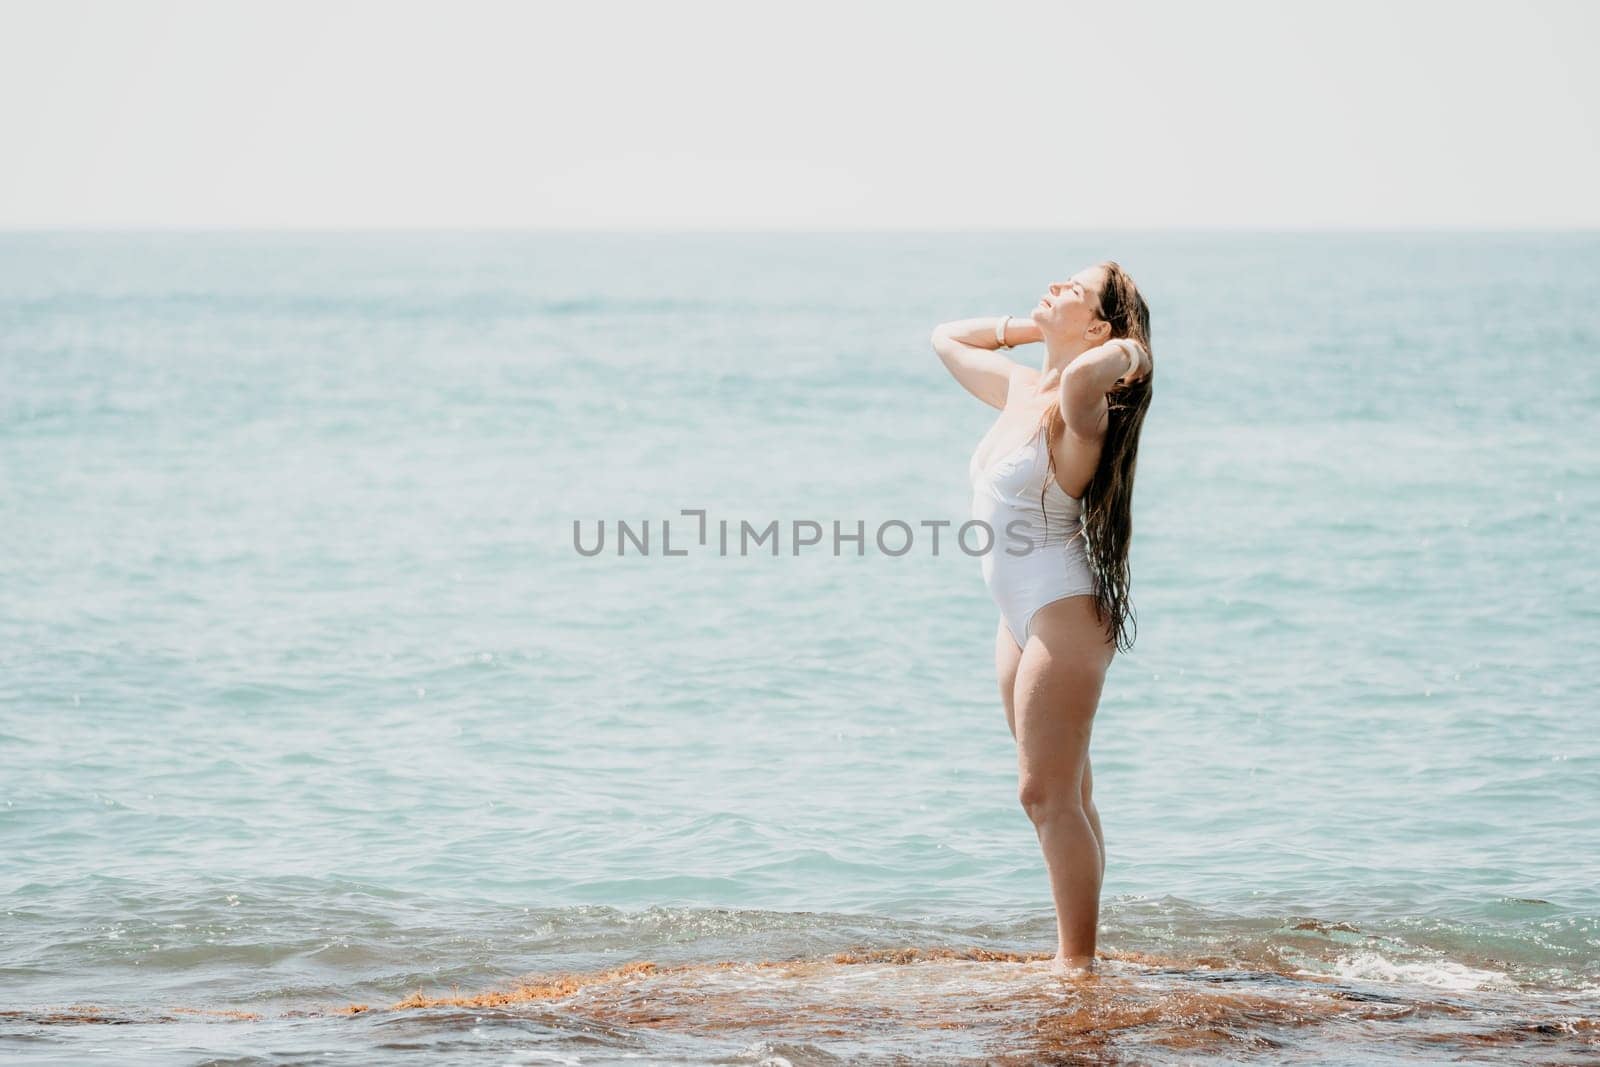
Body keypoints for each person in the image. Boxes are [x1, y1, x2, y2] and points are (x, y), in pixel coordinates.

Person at [931, 261, 1154, 975]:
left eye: (1074, 290)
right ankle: (1080, 950)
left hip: (1062, 606)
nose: (1055, 285)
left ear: (1098, 325)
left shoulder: (1081, 403)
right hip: (1016, 613)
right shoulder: (1023, 387)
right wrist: (1035, 329)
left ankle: (1075, 965)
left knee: (1044, 791)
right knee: (1067, 791)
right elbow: (946, 338)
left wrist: (1132, 349)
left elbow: (1095, 374)